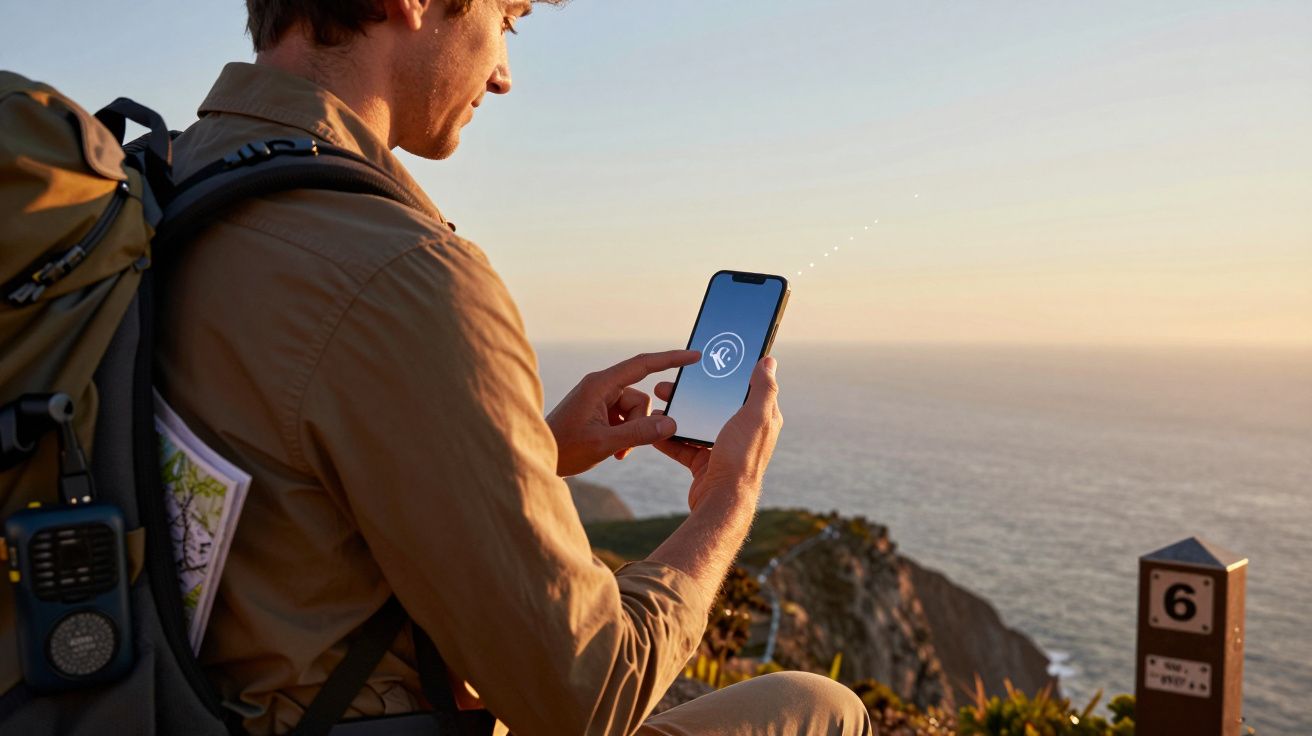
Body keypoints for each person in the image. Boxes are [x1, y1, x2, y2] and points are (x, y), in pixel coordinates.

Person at [158, 0, 873, 734]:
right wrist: (728, 500)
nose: (503, 74)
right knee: (823, 709)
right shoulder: (406, 275)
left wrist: (529, 450)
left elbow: (285, 476)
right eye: (509, 18)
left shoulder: (162, 186)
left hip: (186, 704)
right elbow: (590, 695)